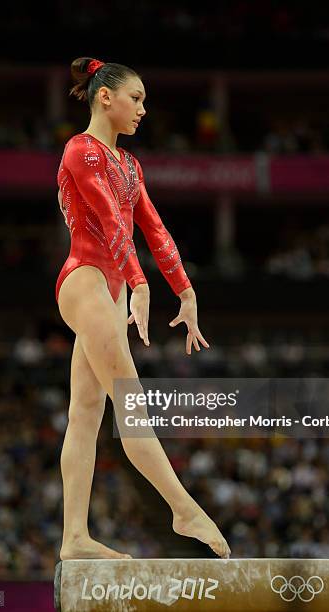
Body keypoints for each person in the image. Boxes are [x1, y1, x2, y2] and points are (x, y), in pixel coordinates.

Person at [56, 56, 231, 560]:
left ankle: (74, 538)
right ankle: (182, 507)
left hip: (109, 286)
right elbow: (111, 222)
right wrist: (137, 281)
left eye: (146, 102)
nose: (143, 110)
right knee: (130, 406)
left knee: (87, 411)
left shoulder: (130, 166)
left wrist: (186, 290)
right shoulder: (81, 152)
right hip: (85, 278)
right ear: (104, 96)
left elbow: (152, 228)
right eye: (137, 99)